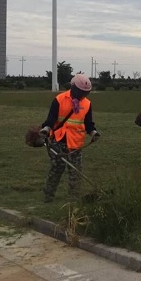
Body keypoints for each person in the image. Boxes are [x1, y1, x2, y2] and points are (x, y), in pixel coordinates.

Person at [39, 74, 100, 202]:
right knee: (56, 170)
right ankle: (48, 196)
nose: (82, 95)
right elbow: (51, 119)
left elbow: (88, 123)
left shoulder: (87, 104)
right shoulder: (59, 99)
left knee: (75, 173)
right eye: (80, 92)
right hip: (59, 141)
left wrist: (93, 133)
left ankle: (74, 199)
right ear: (73, 88)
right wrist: (46, 129)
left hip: (76, 144)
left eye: (85, 93)